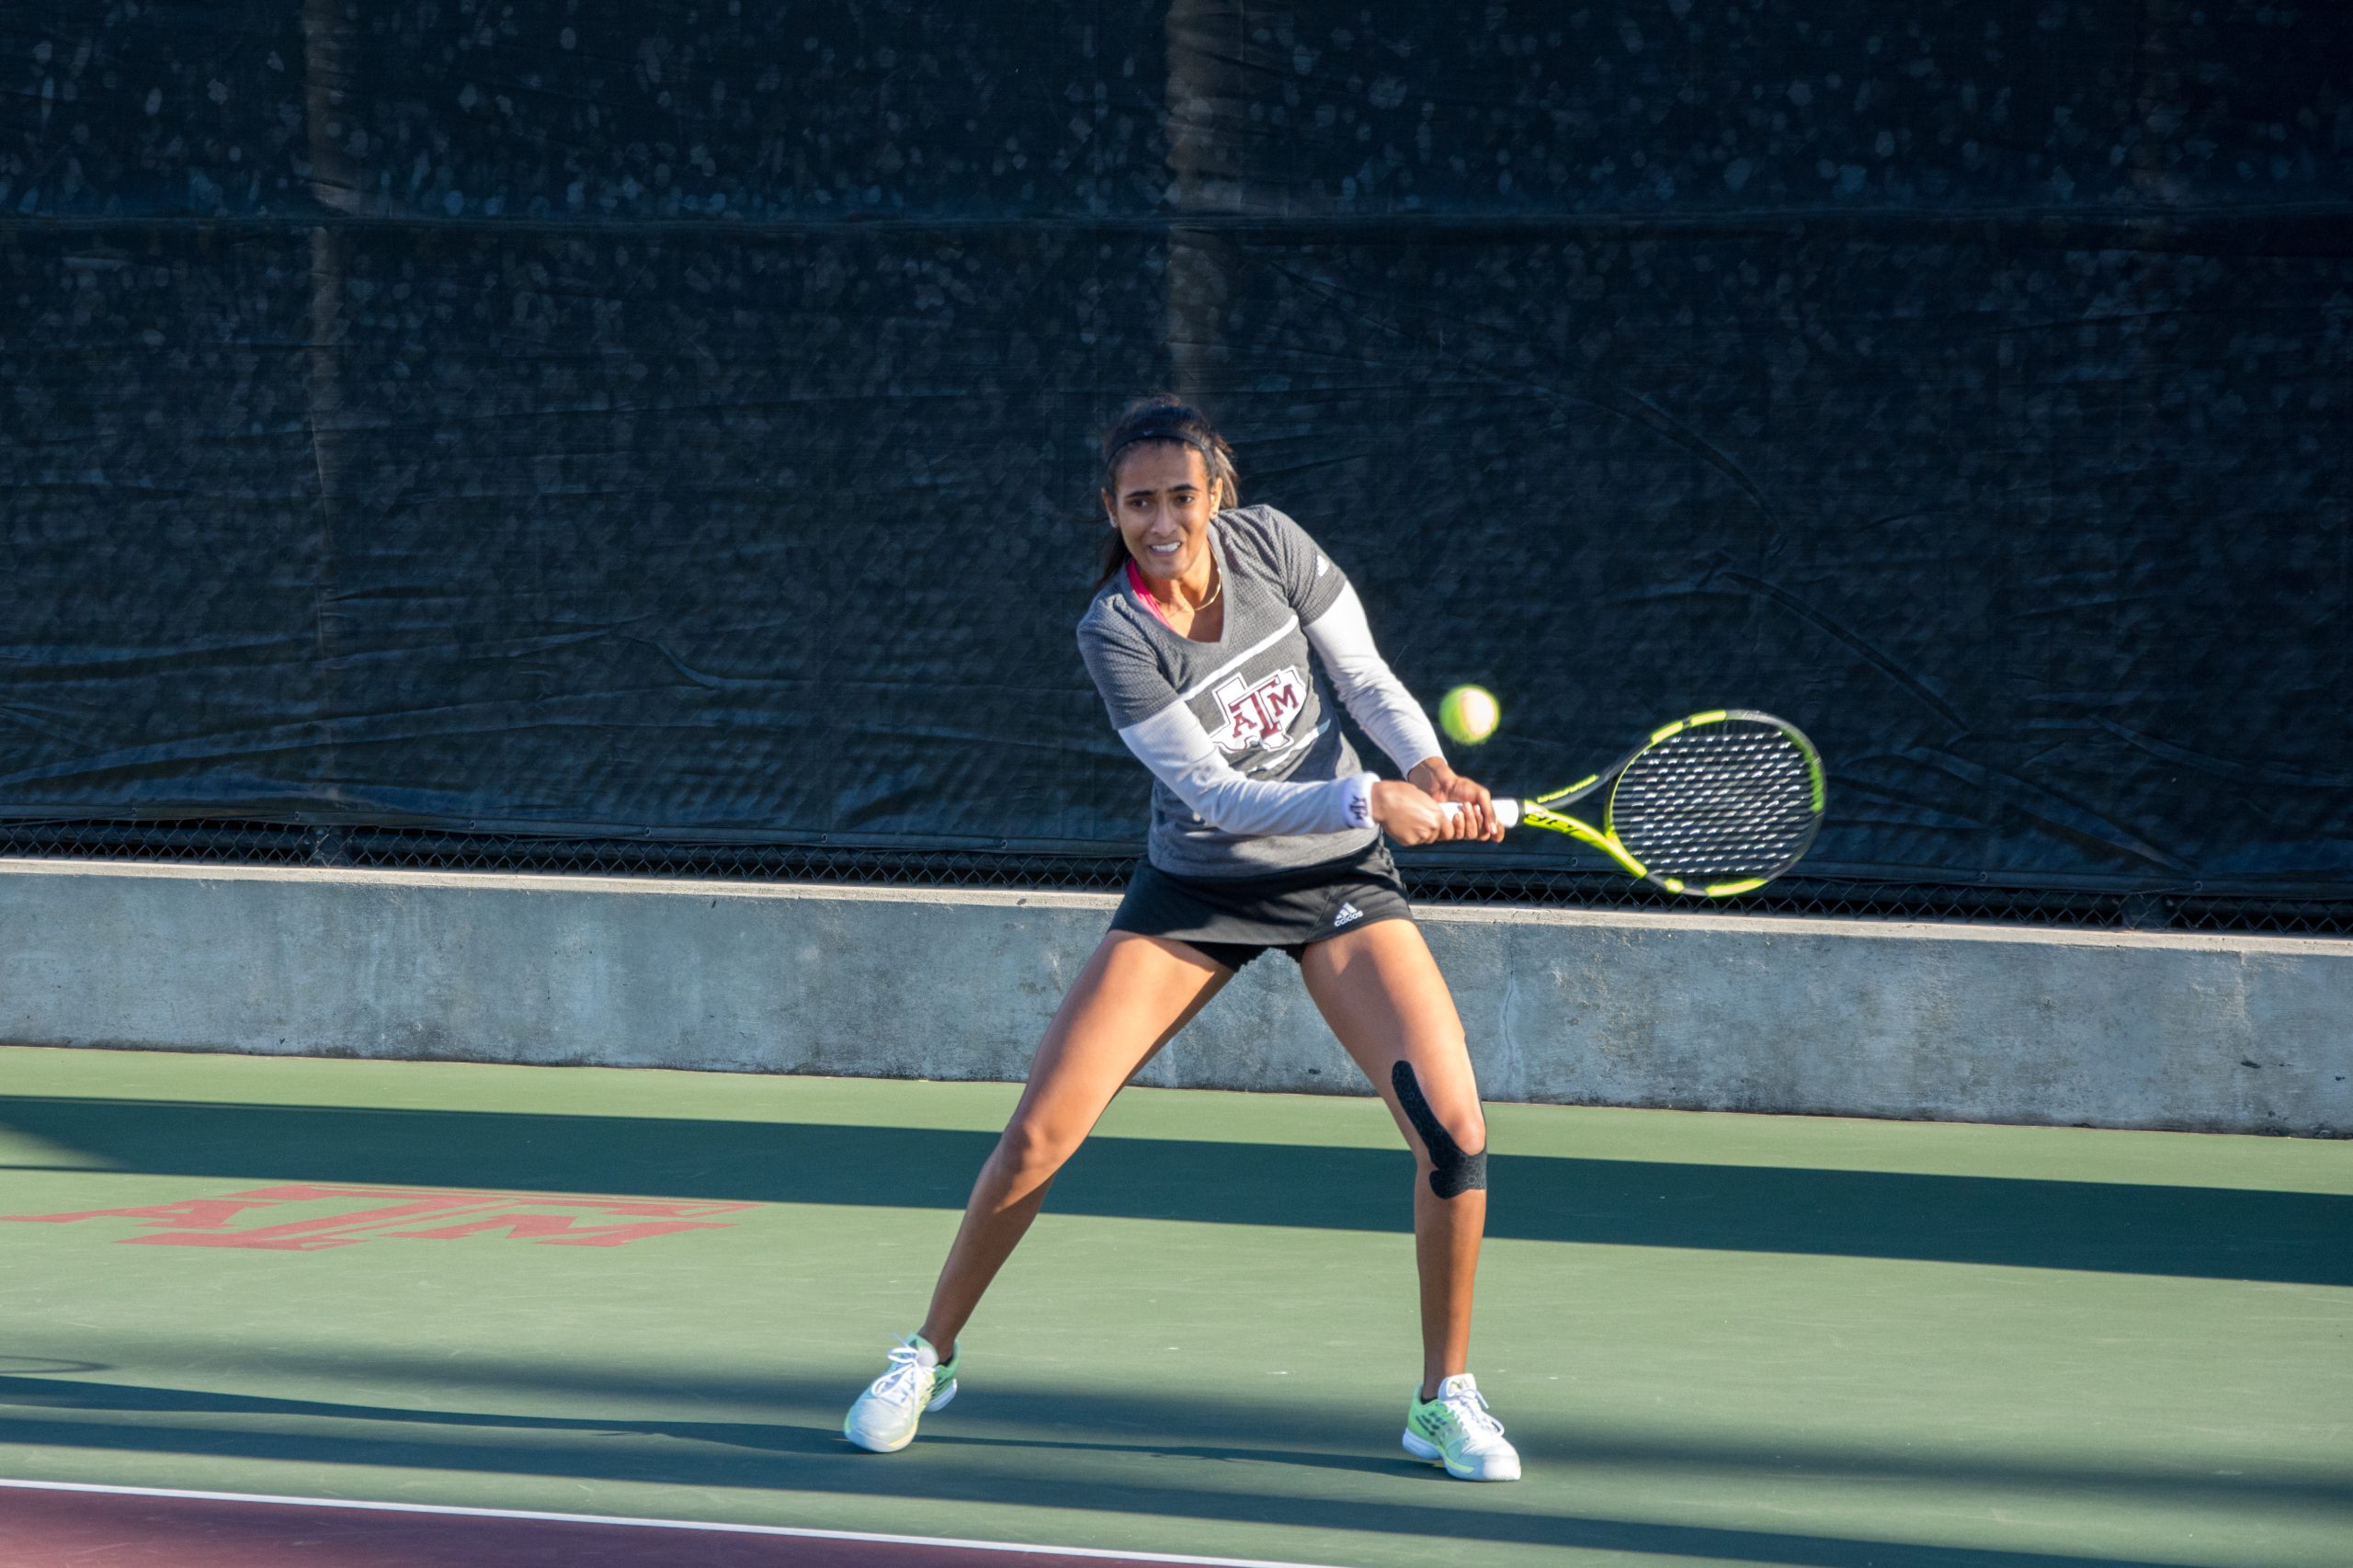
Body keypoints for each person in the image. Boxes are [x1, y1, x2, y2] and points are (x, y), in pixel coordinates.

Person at [842, 396, 1520, 1483]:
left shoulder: (1276, 546)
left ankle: (1443, 1397)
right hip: (1196, 889)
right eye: (1139, 501)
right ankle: (929, 1352)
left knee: (1455, 1131)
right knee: (1036, 1135)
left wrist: (1428, 768)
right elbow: (1214, 791)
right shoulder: (1112, 630)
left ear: (1219, 496)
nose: (1163, 521)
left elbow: (1365, 679)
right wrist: (1367, 799)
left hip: (1338, 885)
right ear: (1111, 509)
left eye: (1182, 497)